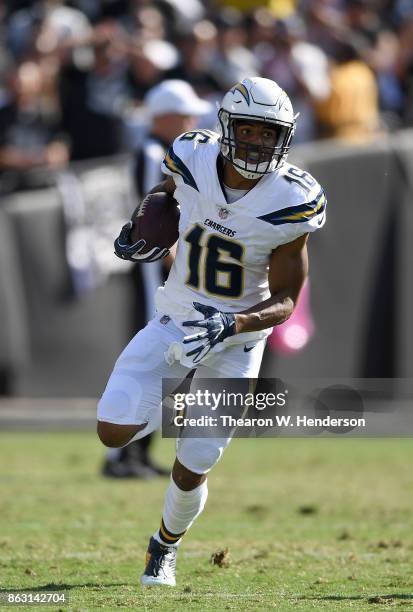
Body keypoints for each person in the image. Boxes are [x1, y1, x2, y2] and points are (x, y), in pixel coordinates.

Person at [97, 77, 327, 586]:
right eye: (248, 129)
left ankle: (164, 547)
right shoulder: (191, 155)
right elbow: (167, 193)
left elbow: (287, 300)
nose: (256, 143)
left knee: (194, 459)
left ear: (283, 139)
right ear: (226, 127)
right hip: (176, 316)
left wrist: (234, 322)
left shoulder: (292, 198)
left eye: (269, 135)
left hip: (236, 339)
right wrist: (146, 228)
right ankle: (164, 398)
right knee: (112, 430)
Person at [102, 80, 212, 478]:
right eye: (184, 114)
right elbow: (158, 215)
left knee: (166, 363)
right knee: (155, 358)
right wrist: (175, 262)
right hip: (154, 272)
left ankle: (135, 452)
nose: (192, 121)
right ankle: (121, 456)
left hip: (159, 269)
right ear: (163, 116)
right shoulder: (154, 153)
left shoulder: (161, 151)